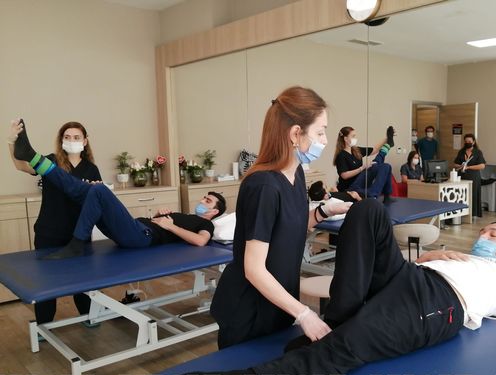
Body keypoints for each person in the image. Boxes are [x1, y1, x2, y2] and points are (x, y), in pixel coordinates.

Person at [174, 198, 496, 375]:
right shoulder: (459, 256)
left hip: (439, 304)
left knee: (351, 345)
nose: (484, 235)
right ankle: (340, 318)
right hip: (409, 276)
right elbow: (400, 261)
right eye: (483, 231)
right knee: (369, 210)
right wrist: (432, 257)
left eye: (493, 234)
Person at [210, 86, 351, 349]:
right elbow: (254, 269)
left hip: (279, 303)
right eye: (320, 132)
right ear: (296, 133)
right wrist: (304, 313)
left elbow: (288, 228)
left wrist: (323, 212)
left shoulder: (296, 174)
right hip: (249, 312)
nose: (324, 140)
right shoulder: (263, 186)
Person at [9, 119, 226, 260]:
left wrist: (171, 226)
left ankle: (32, 155)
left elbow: (200, 241)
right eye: (204, 197)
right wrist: (163, 216)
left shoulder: (206, 224)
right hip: (133, 228)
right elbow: (21, 167)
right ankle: (30, 155)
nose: (202, 200)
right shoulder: (190, 217)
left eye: (207, 201)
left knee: (99, 190)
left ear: (215, 212)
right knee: (95, 191)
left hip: (141, 235)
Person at [8, 119, 102, 326]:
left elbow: (96, 201)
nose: (71, 140)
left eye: (76, 137)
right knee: (47, 282)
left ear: (85, 141)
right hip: (49, 232)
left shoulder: (91, 169)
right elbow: (21, 165)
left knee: (83, 280)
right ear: (61, 140)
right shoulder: (50, 162)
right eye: (67, 137)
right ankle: (44, 325)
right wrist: (11, 142)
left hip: (78, 233)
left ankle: (89, 316)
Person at [332, 126, 394, 201]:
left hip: (361, 182)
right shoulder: (341, 155)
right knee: (378, 163)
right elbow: (344, 175)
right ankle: (373, 194)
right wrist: (362, 168)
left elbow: (374, 149)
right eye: (353, 136)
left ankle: (389, 144)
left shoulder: (356, 150)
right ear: (345, 139)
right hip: (351, 188)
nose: (355, 138)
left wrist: (387, 138)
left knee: (385, 166)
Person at [453, 133, 486, 218]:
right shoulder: (461, 152)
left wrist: (469, 167)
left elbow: (482, 166)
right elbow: (455, 164)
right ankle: (462, 212)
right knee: (462, 194)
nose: (467, 143)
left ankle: (473, 213)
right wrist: (461, 166)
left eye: (469, 141)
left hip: (473, 177)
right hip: (462, 177)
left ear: (473, 142)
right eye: (466, 141)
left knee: (473, 194)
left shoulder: (478, 152)